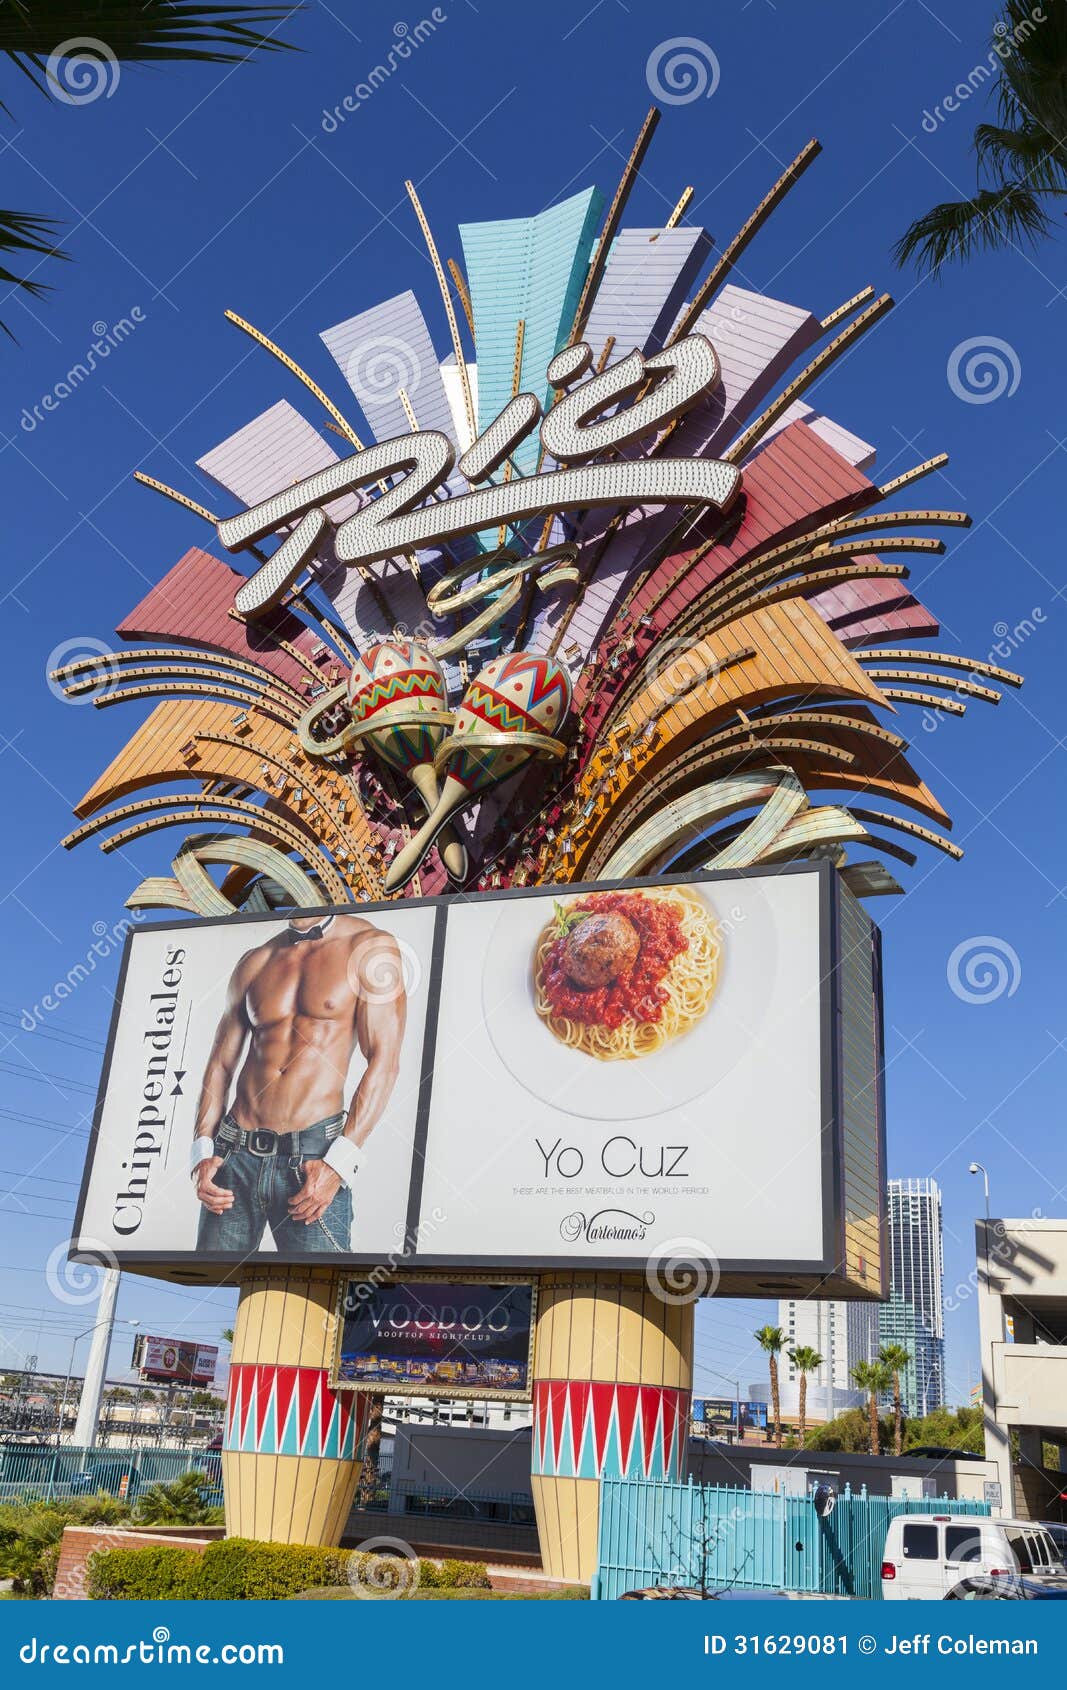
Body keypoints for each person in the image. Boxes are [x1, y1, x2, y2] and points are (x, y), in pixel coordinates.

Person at [189, 913, 405, 1254]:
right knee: (205, 1287)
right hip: (235, 1154)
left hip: (312, 1159)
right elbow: (220, 1062)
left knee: (316, 1297)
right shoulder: (256, 960)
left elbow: (384, 1060)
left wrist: (338, 1164)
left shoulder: (369, 946)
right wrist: (202, 1151)